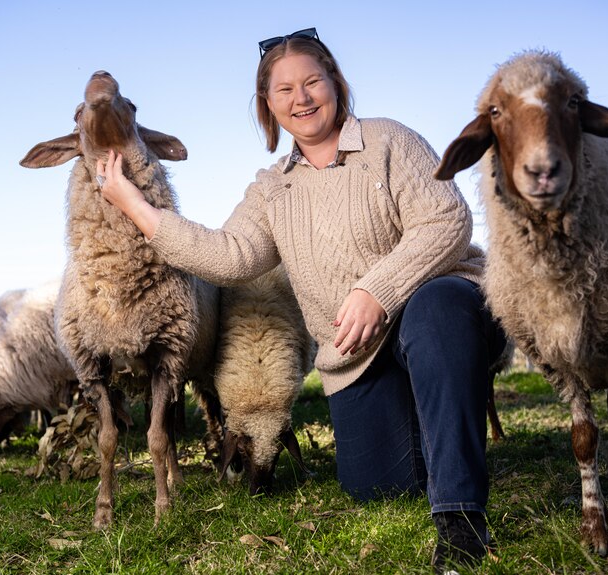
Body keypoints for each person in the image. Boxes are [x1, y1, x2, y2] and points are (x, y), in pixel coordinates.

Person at [97, 27, 506, 573]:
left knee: (435, 312)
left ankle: (460, 520)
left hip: (438, 308)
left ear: (336, 84)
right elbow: (229, 256)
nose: (302, 98)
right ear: (268, 106)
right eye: (284, 90)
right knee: (376, 488)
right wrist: (135, 206)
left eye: (313, 81)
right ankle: (438, 433)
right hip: (357, 353)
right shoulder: (273, 188)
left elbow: (448, 220)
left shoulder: (388, 141)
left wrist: (375, 291)